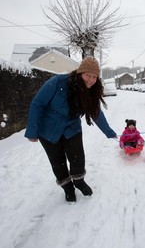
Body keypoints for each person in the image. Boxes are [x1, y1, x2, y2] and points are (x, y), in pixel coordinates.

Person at [25, 56, 117, 203]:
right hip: (48, 130)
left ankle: (79, 181)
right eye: (88, 75)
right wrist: (32, 130)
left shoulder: (91, 91)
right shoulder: (58, 82)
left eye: (94, 77)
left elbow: (96, 112)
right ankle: (68, 188)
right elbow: (38, 104)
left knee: (78, 158)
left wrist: (109, 132)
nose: (91, 80)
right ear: (80, 72)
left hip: (71, 129)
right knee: (58, 162)